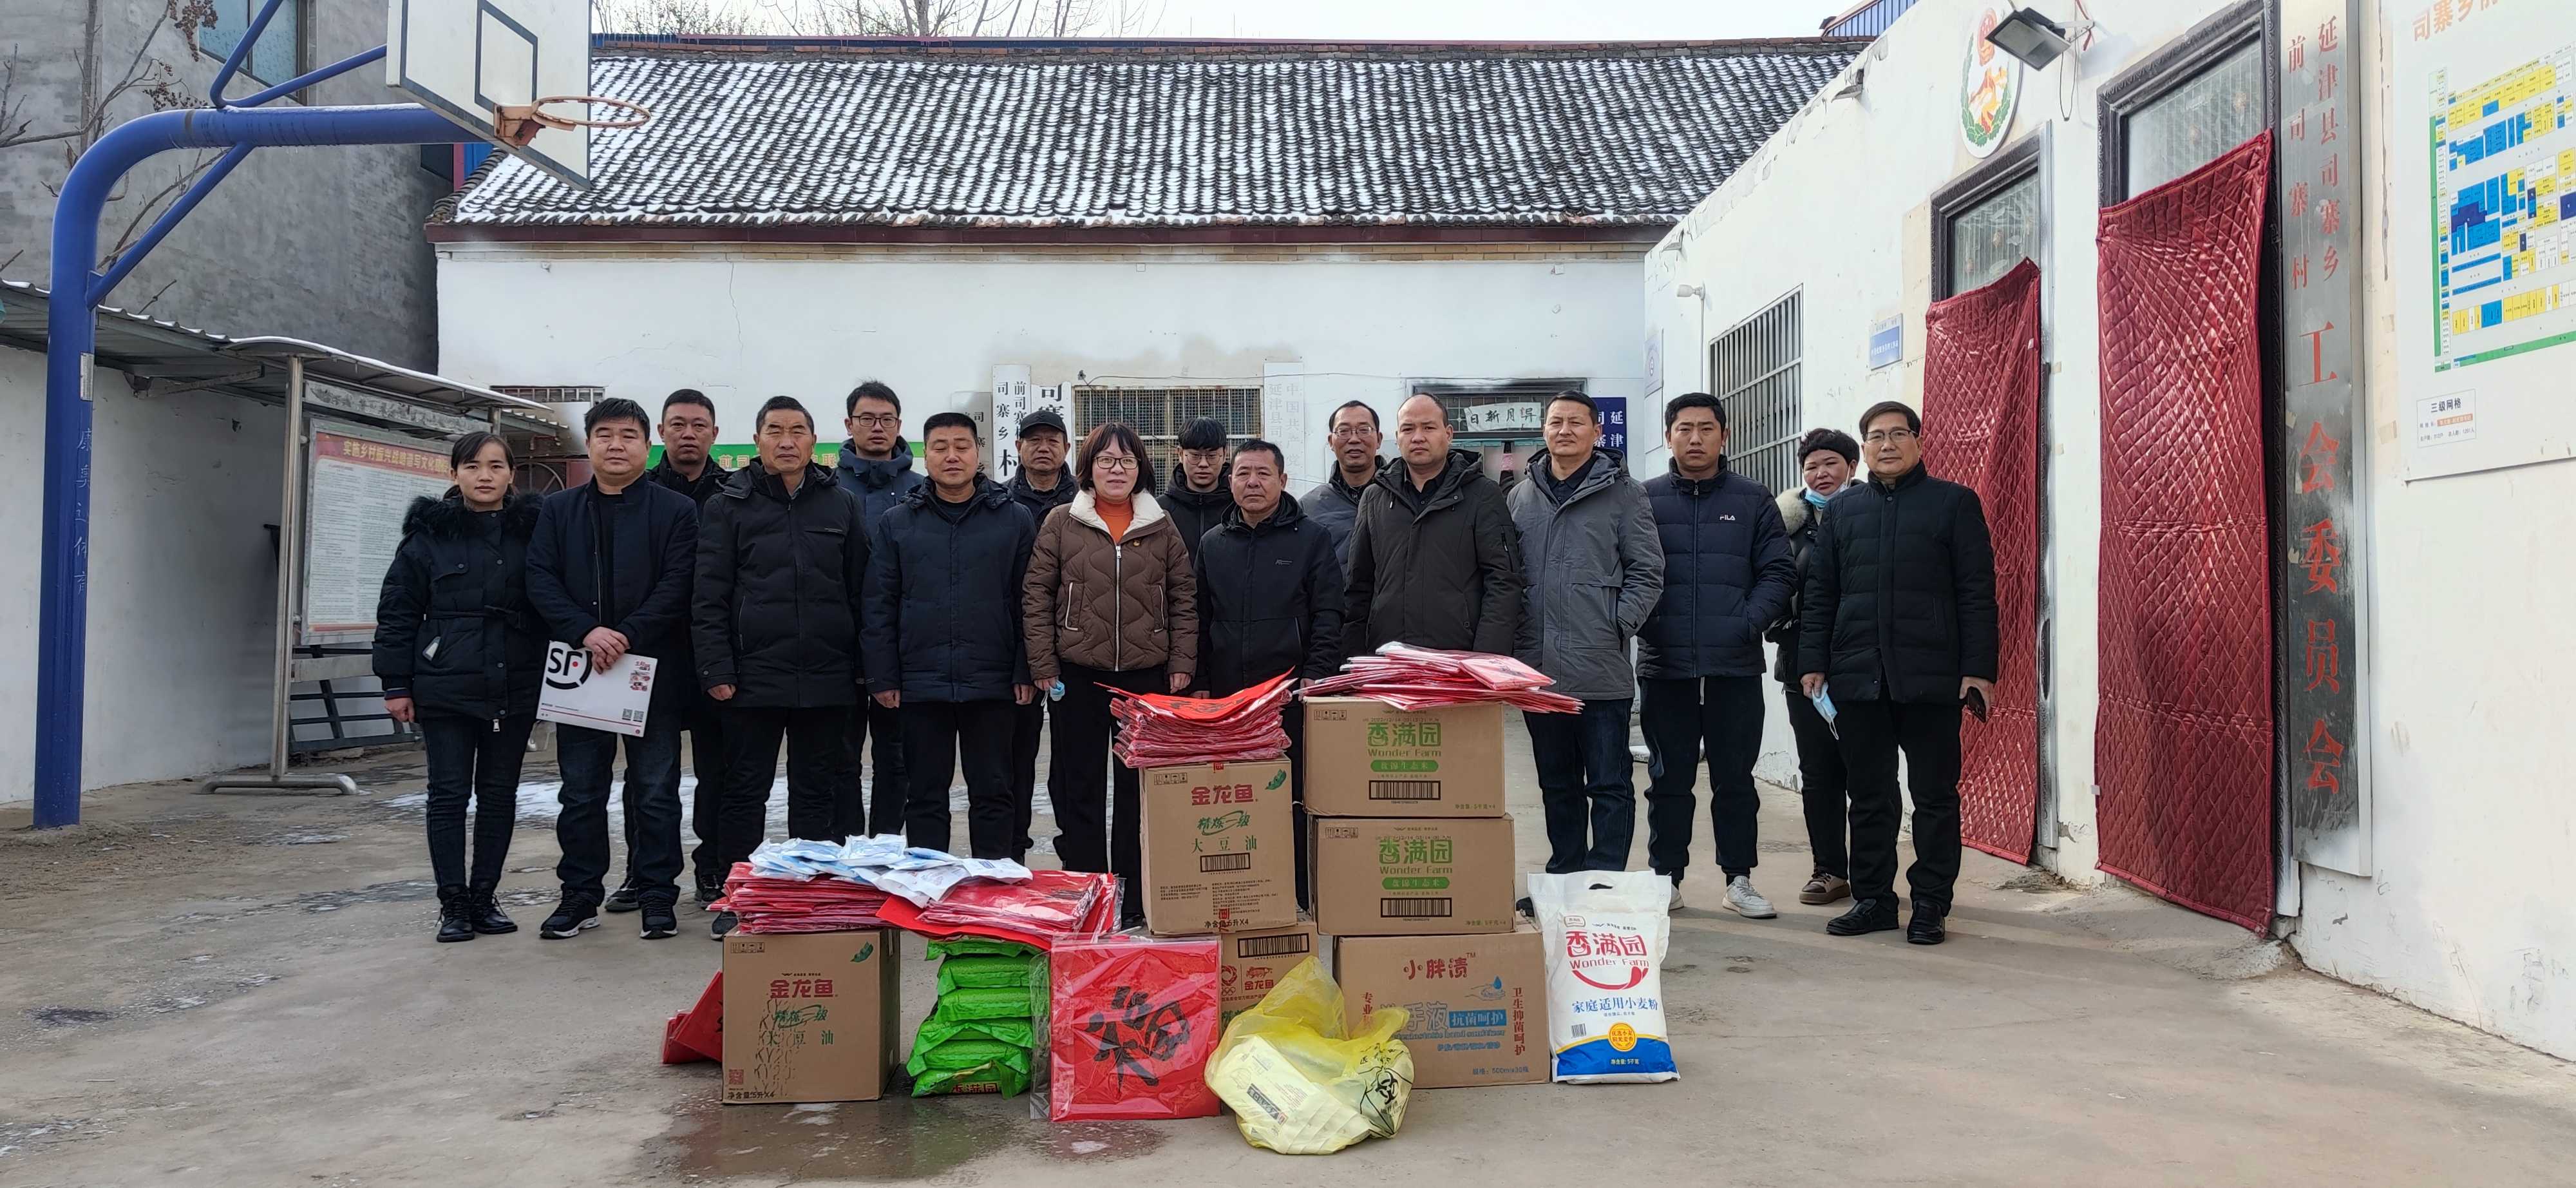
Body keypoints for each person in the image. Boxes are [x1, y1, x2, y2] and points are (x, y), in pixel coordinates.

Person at [1799, 401, 1998, 946]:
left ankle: (1931, 902)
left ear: (1919, 441)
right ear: (1864, 449)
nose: (1887, 445)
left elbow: (1977, 592)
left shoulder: (1953, 503)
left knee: (1934, 795)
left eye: (1898, 434)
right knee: (1869, 795)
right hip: (1859, 676)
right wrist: (1813, 662)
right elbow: (1821, 593)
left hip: (1931, 676)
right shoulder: (1844, 511)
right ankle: (1874, 900)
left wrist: (1978, 670)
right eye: (1876, 436)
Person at [526, 398, 701, 942]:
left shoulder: (676, 511)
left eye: (628, 436)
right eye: (605, 435)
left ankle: (657, 895)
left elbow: (679, 583)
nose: (616, 445)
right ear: (590, 444)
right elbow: (540, 578)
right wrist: (586, 631)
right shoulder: (558, 510)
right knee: (580, 791)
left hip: (651, 671)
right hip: (581, 672)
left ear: (647, 445)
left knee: (656, 790)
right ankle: (579, 895)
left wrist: (627, 634)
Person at [698, 396, 871, 939]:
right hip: (751, 677)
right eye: (775, 430)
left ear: (814, 441)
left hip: (826, 676)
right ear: (757, 441)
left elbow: (861, 591)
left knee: (816, 792)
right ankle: (739, 898)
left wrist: (862, 669)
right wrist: (717, 668)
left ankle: (808, 895)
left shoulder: (840, 504)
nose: (787, 440)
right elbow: (708, 597)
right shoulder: (728, 505)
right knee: (744, 791)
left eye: (798, 430)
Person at [372, 432, 545, 943]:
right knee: (448, 795)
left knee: (499, 794)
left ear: (512, 474)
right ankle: (453, 904)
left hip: (515, 681)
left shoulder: (535, 534)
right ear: (454, 474)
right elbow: (398, 612)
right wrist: (395, 684)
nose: (484, 476)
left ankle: (484, 897)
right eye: (472, 466)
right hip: (444, 683)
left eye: (495, 466)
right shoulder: (427, 536)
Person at [1023, 422, 1197, 926]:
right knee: (1078, 786)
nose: (1116, 469)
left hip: (1144, 677)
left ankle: (1133, 896)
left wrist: (1181, 662)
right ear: (1088, 468)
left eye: (1126, 460)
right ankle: (1086, 892)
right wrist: (1043, 663)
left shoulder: (1160, 524)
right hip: (1078, 675)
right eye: (1105, 460)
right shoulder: (1062, 521)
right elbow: (1037, 595)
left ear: (1141, 468)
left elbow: (1184, 597)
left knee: (1135, 791)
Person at [1636, 392, 1795, 915]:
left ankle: (1739, 880)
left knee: (1735, 779)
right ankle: (1666, 878)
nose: (1695, 438)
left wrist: (1748, 623)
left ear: (1724, 437)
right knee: (1669, 779)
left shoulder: (1753, 499)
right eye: (1684, 428)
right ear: (1668, 437)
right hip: (1666, 664)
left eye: (1706, 428)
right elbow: (1627, 571)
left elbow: (1779, 571)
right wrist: (1649, 624)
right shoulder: (1644, 500)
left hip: (1735, 664)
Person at [864, 412, 1038, 859]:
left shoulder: (1014, 519)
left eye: (962, 446)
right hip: (920, 682)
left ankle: (992, 884)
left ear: (978, 453)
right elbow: (879, 603)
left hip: (993, 680)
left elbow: (1028, 601)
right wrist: (883, 676)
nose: (952, 456)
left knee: (994, 792)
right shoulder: (897, 522)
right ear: (925, 455)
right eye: (940, 447)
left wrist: (1025, 668)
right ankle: (930, 884)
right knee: (924, 794)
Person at [1506, 392, 1663, 876]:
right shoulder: (1520, 496)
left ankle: (1605, 881)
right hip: (1538, 671)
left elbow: (1647, 570)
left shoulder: (1625, 493)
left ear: (1597, 432)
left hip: (1600, 666)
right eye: (1556, 422)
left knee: (1609, 783)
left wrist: (1615, 623)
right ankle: (1565, 875)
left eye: (1577, 422)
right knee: (1557, 783)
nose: (1565, 430)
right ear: (1544, 431)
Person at [1193, 438, 1343, 908]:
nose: (1253, 482)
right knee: (1235, 795)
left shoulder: (1311, 539)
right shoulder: (1213, 544)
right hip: (1229, 697)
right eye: (1243, 473)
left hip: (1289, 693)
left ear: (1282, 480)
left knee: (1291, 792)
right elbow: (1199, 617)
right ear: (1230, 481)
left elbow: (1329, 612)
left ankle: (1297, 892)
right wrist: (1201, 681)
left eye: (1263, 473)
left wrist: (1317, 671)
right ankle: (1244, 888)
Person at [605, 389, 734, 913]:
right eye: (677, 424)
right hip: (648, 654)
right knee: (647, 776)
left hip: (716, 655)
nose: (688, 434)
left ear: (714, 434)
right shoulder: (638, 492)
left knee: (718, 773)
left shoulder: (735, 492)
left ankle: (714, 869)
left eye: (699, 425)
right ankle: (644, 873)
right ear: (661, 433)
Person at [1342, 394, 1521, 658]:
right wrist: (1355, 660)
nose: (1418, 437)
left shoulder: (1482, 494)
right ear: (1397, 437)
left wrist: (1486, 659)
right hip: (1388, 659)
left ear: (1448, 434)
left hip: (1458, 660)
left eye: (1428, 427)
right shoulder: (1375, 497)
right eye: (1408, 429)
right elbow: (1359, 587)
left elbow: (1503, 582)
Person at [1768, 426, 1862, 907]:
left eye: (1831, 464)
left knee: (1868, 772)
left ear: (1852, 466)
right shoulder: (1785, 525)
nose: (1821, 474)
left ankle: (1871, 874)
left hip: (1863, 667)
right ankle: (1829, 870)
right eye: (1812, 466)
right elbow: (1769, 586)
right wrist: (1785, 628)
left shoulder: (1871, 513)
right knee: (1819, 773)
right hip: (1802, 668)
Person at [832, 380, 921, 841]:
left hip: (902, 647)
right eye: (867, 418)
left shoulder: (921, 491)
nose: (877, 427)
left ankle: (886, 846)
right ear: (849, 424)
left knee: (897, 758)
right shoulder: (826, 488)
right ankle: (846, 851)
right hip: (839, 646)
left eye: (886, 419)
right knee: (840, 758)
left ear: (899, 425)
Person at [1004, 408, 1077, 861]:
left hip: (1075, 650)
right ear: (1019, 448)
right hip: (1017, 651)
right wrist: (1023, 662)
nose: (1043, 448)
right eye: (1034, 440)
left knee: (1070, 762)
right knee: (1015, 758)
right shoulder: (998, 502)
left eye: (1053, 440)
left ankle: (1075, 853)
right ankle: (1013, 853)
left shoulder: (1087, 502)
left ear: (1067, 448)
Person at [1302, 399, 1381, 566]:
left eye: (1364, 430)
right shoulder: (1308, 507)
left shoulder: (1400, 498)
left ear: (1379, 439)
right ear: (1331, 442)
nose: (1354, 439)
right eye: (1343, 431)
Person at [1162, 416, 1235, 555]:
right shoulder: (1160, 510)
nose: (1203, 464)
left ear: (1225, 454)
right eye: (1195, 456)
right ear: (1180, 454)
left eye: (1212, 456)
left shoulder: (1239, 508)